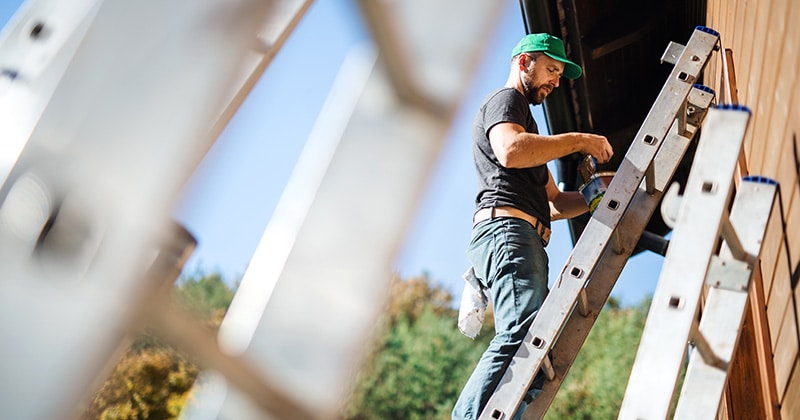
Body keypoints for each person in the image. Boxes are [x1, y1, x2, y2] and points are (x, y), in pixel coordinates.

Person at [452, 33, 613, 420]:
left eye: (559, 75)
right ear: (524, 62)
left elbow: (555, 203)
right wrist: (579, 140)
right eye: (551, 70)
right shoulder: (507, 102)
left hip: (522, 236)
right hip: (507, 233)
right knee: (522, 335)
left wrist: (601, 193)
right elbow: (509, 150)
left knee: (533, 353)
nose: (556, 81)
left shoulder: (528, 126)